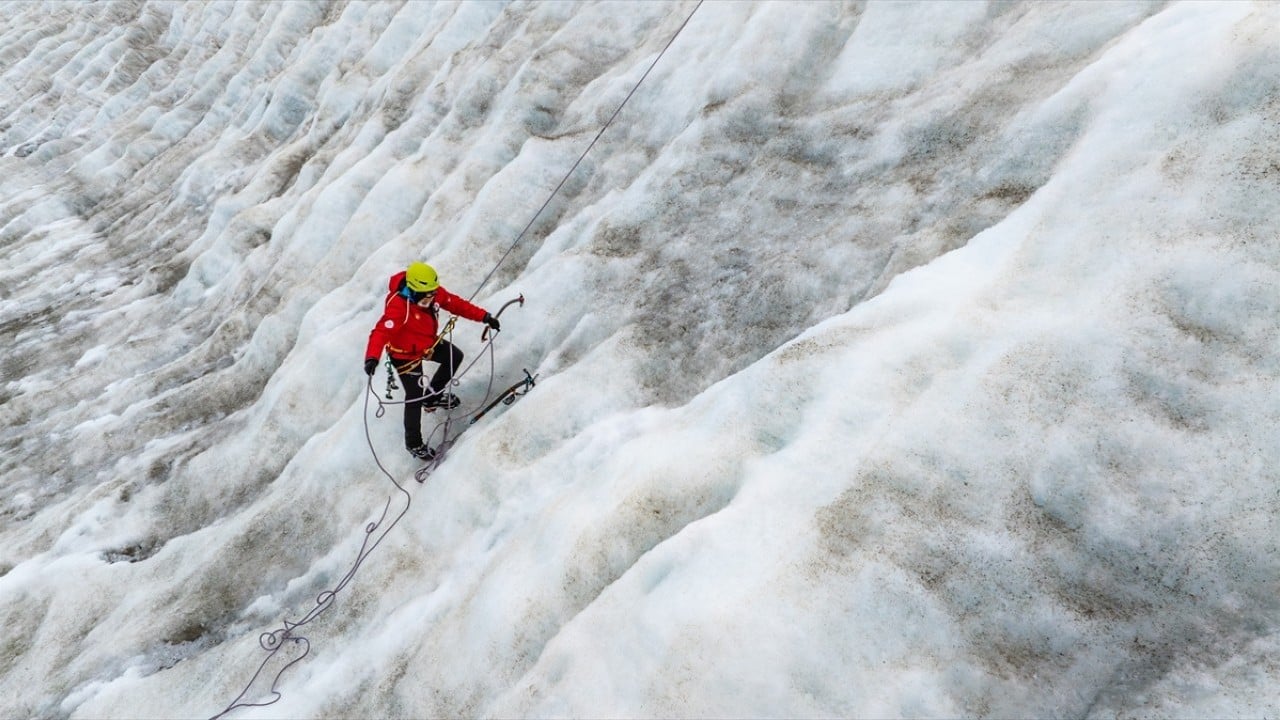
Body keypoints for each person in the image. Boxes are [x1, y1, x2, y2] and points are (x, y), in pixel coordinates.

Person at [364, 261, 500, 460]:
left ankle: (432, 397)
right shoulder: (399, 307)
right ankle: (414, 443)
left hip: (426, 344)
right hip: (404, 356)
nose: (432, 299)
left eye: (432, 294)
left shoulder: (433, 293)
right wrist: (372, 358)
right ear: (415, 291)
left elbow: (455, 303)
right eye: (427, 296)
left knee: (454, 356)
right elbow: (380, 332)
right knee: (414, 395)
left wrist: (484, 317)